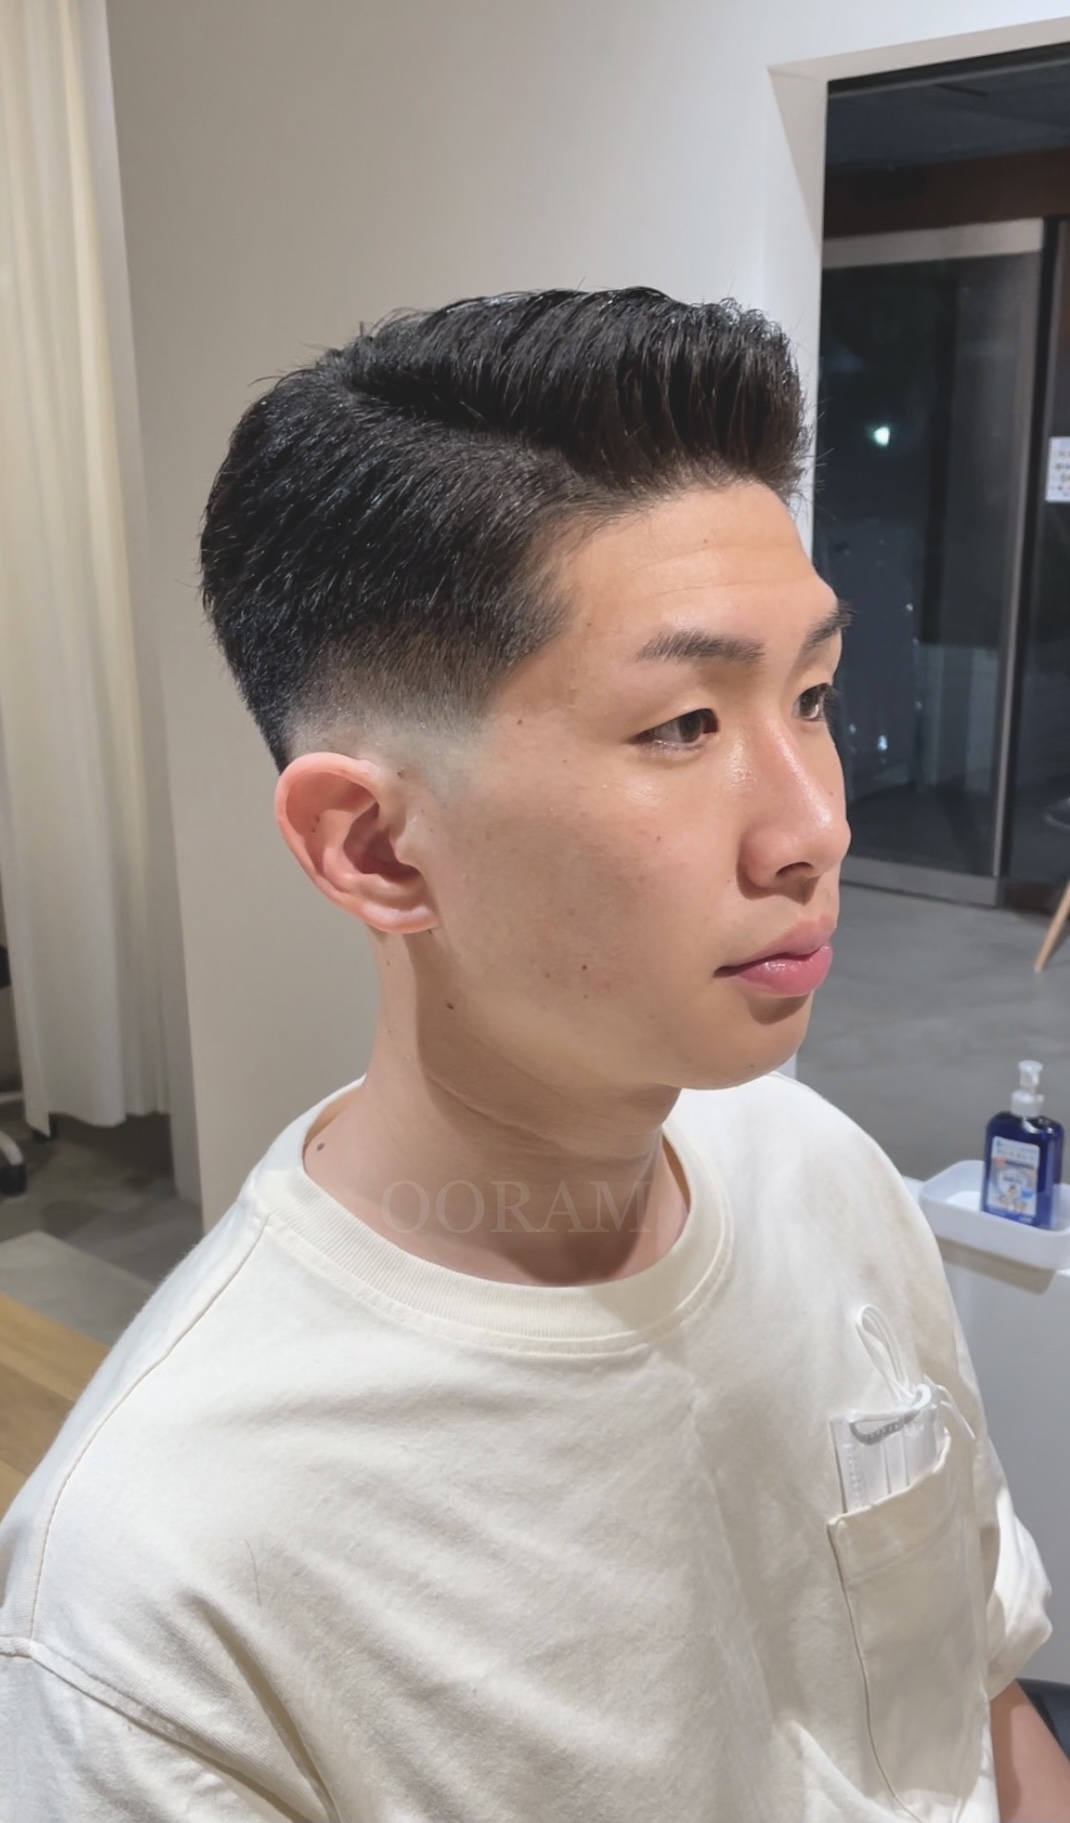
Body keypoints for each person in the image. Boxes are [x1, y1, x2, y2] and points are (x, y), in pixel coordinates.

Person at [0, 289, 1065, 1822]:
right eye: (682, 725)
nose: (816, 823)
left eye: (813, 698)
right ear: (375, 847)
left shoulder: (818, 1170)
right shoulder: (162, 1601)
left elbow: (973, 1694)